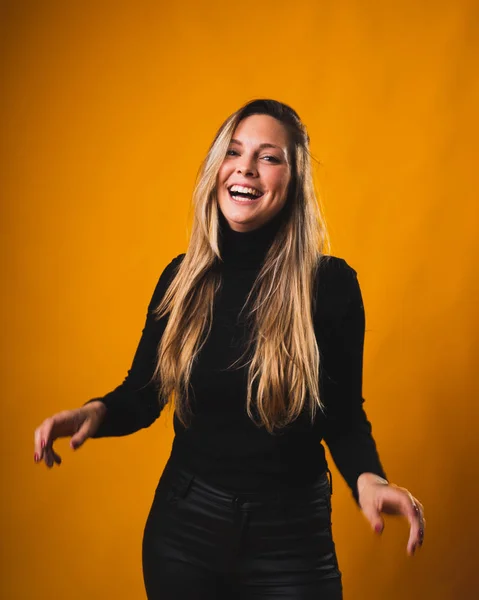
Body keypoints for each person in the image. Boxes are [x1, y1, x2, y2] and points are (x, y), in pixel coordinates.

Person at [33, 99, 425, 599]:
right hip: (186, 528)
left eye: (269, 156)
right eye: (234, 152)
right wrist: (93, 413)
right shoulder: (182, 280)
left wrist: (368, 479)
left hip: (292, 538)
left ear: (294, 180)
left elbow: (343, 417)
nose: (245, 167)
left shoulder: (330, 286)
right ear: (217, 169)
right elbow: (144, 394)